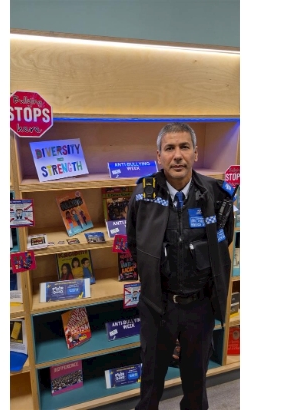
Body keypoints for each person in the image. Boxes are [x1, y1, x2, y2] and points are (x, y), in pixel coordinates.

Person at [126, 122, 235, 410]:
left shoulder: (216, 194)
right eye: (169, 148)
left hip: (199, 307)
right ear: (158, 156)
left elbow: (223, 241)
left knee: (196, 382)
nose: (177, 155)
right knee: (151, 381)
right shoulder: (142, 195)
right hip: (157, 306)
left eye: (184, 147)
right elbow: (134, 244)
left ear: (195, 153)